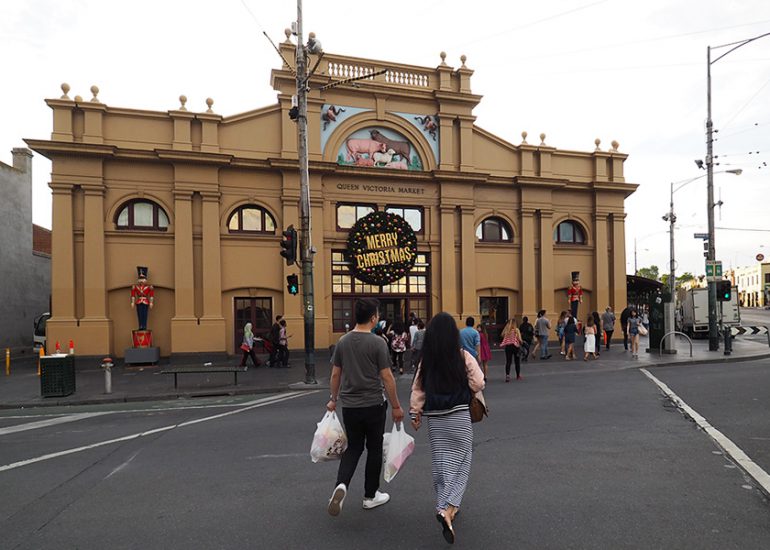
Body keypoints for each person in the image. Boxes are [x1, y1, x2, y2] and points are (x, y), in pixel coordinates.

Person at [409, 312, 485, 544]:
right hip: (459, 415)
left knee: (442, 462)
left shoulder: (427, 362)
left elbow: (418, 390)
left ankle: (446, 507)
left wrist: (415, 413)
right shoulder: (462, 356)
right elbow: (479, 382)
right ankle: (447, 508)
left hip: (435, 418)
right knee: (463, 460)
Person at [326, 298, 404, 517]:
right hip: (373, 404)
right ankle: (370, 495)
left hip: (350, 406)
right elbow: (387, 377)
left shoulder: (342, 341)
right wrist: (396, 406)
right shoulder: (378, 343)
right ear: (373, 318)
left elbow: (335, 374)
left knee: (353, 448)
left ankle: (341, 485)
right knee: (375, 448)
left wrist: (334, 398)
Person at [130, 266, 154, 331]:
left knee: (144, 314)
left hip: (145, 301)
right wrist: (132, 302)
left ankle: (144, 325)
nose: (141, 281)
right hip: (139, 301)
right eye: (140, 279)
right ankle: (140, 325)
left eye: (143, 278)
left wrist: (151, 302)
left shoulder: (149, 287)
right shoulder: (135, 287)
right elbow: (133, 294)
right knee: (139, 314)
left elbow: (151, 294)